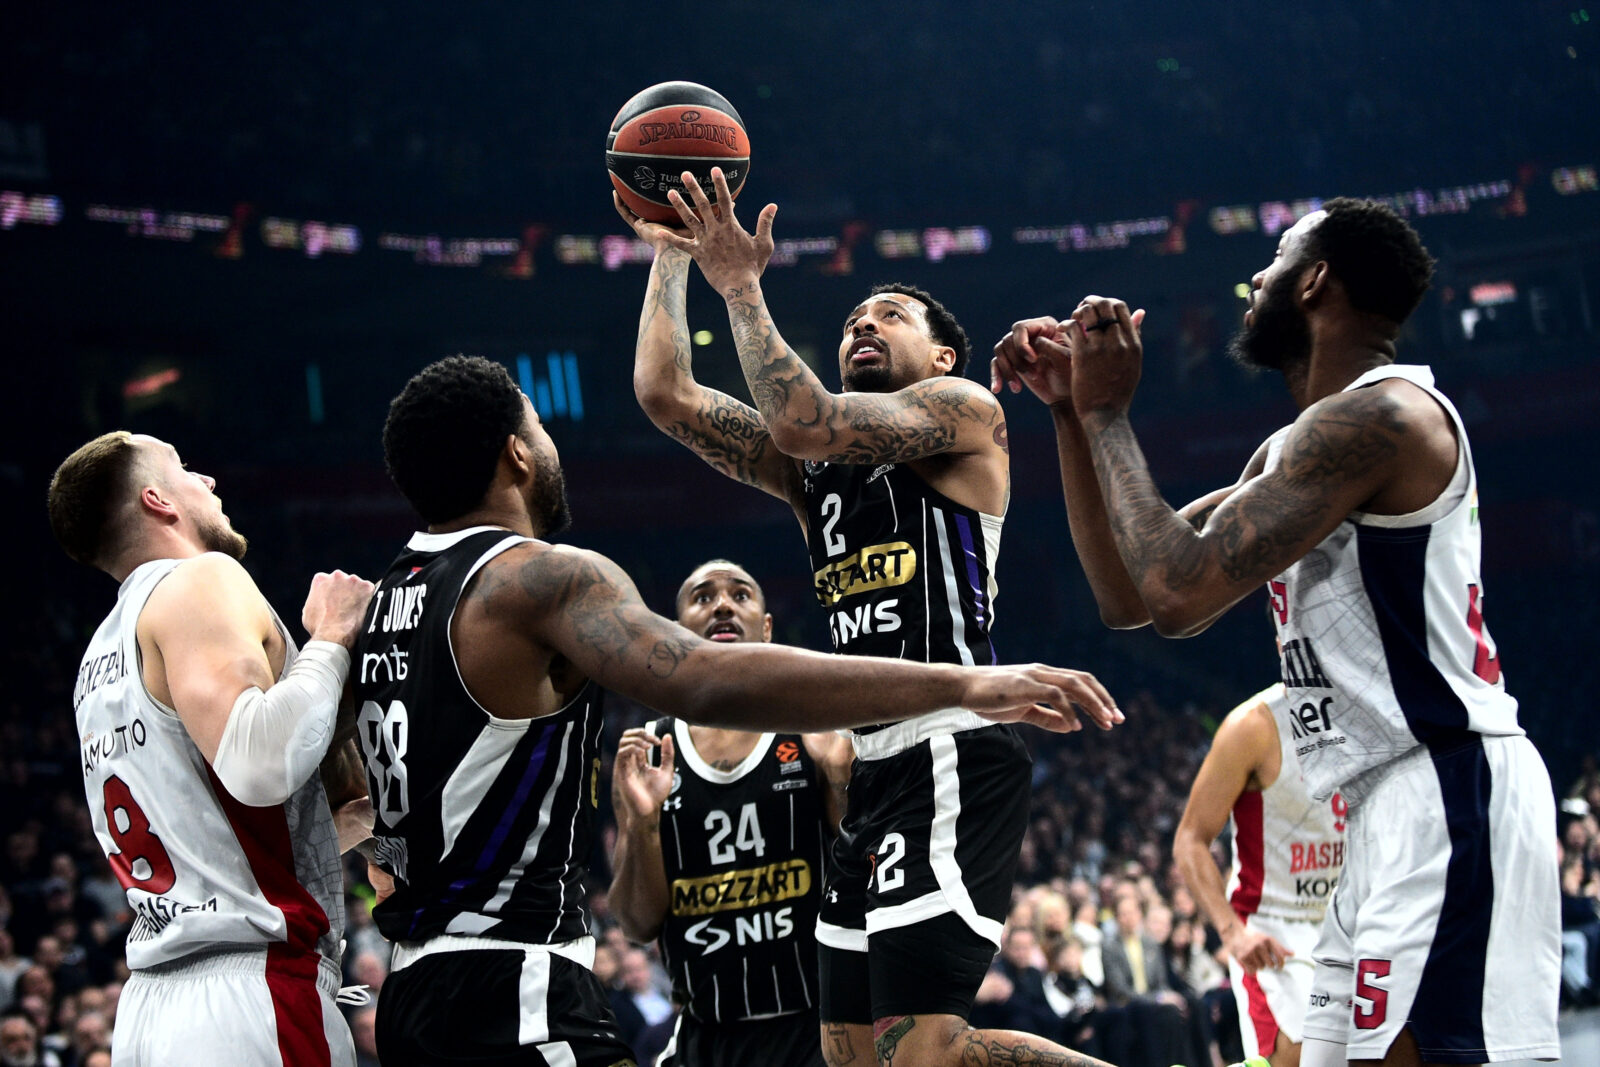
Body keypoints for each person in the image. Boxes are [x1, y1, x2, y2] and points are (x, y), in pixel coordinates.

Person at [353, 355, 1117, 1067]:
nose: (552, 448)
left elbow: (353, 809)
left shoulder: (376, 606)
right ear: (518, 454)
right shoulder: (538, 580)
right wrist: (962, 684)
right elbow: (705, 679)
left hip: (412, 995)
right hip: (513, 989)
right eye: (540, 429)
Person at [993, 197, 1561, 1066]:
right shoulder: (1292, 451)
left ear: (1317, 280)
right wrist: (1072, 413)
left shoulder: (1383, 418)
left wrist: (1113, 416)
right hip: (1372, 806)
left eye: (1276, 257)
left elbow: (1176, 593)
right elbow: (1129, 591)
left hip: (1444, 786)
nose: (1254, 278)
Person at [620, 168, 1122, 1067]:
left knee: (921, 1051)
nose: (863, 323)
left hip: (953, 740)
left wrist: (740, 285)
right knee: (857, 1056)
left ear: (941, 358)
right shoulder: (811, 474)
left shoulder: (965, 412)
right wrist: (671, 251)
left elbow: (805, 419)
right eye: (854, 317)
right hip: (873, 762)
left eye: (889, 314)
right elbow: (667, 394)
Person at [45, 432, 376, 1067]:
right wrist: (332, 636)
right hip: (251, 994)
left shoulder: (98, 657)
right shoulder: (200, 580)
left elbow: (213, 848)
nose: (210, 482)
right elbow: (258, 764)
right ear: (157, 500)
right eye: (187, 469)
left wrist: (338, 834)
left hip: (151, 1008)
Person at [610, 560, 851, 1067]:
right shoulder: (648, 753)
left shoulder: (811, 728)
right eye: (703, 597)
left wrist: (840, 777)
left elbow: (863, 868)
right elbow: (635, 923)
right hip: (707, 1037)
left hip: (817, 1030)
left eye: (741, 595)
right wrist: (646, 823)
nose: (722, 604)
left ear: (766, 629)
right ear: (675, 634)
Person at [1173, 682, 1346, 1067]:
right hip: (1276, 932)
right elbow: (1190, 839)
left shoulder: (1372, 708)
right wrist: (1232, 933)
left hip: (1353, 921)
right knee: (1300, 1059)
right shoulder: (1253, 726)